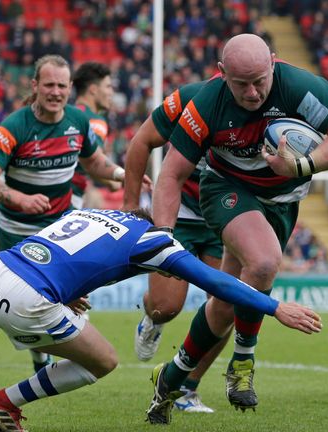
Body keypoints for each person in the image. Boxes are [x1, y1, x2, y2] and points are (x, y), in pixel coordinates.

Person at [0, 208, 322, 432]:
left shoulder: (98, 213)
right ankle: (4, 403)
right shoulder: (158, 242)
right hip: (30, 296)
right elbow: (215, 282)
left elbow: (70, 252)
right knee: (103, 362)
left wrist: (74, 290)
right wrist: (276, 307)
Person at [146, 32, 328, 419]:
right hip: (226, 190)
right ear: (221, 74)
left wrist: (301, 165)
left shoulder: (300, 88)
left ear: (274, 62)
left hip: (283, 201)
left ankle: (173, 375)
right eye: (241, 83)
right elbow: (170, 175)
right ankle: (243, 363)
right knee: (264, 263)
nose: (251, 92)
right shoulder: (207, 104)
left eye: (259, 81)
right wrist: (164, 236)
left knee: (226, 303)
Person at [0, 55, 143, 372]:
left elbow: (94, 163)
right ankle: (40, 359)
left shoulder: (78, 122)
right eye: (49, 85)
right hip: (16, 230)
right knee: (23, 306)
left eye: (61, 86)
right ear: (35, 86)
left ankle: (46, 360)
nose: (55, 92)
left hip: (58, 230)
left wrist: (123, 174)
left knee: (69, 300)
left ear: (70, 89)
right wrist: (20, 199)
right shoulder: (15, 126)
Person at [123, 78, 228, 413]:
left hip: (226, 215)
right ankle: (151, 317)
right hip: (178, 211)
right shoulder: (189, 99)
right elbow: (141, 141)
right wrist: (129, 207)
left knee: (227, 306)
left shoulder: (266, 105)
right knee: (166, 307)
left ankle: (186, 388)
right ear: (223, 72)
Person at [70, 61, 119, 209]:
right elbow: (92, 162)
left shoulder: (67, 115)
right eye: (108, 86)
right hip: (70, 197)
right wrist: (112, 181)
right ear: (93, 89)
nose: (111, 93)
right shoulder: (96, 121)